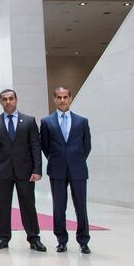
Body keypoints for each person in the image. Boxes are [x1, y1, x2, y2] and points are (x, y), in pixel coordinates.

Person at [0, 89, 46, 252]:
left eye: (11, 99)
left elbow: (35, 146)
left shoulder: (29, 121)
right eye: (4, 99)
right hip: (2, 171)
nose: (8, 102)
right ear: (0, 102)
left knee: (28, 205)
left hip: (25, 172)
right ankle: (3, 238)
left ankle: (34, 238)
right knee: (3, 206)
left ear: (16, 100)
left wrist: (37, 169)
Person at [40, 86, 92, 254]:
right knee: (58, 207)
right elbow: (45, 146)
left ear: (70, 99)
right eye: (59, 97)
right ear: (54, 99)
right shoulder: (47, 122)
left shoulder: (82, 121)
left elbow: (86, 146)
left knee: (81, 207)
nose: (62, 100)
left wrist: (74, 159)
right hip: (57, 169)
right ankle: (61, 240)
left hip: (78, 169)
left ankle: (83, 241)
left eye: (65, 97)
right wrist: (58, 159)